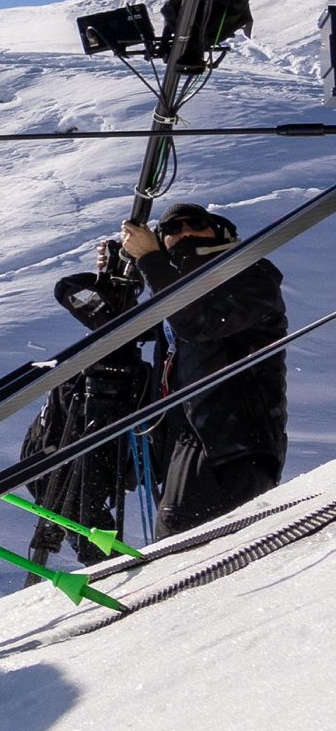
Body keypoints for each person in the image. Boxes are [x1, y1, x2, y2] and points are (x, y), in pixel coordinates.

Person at [119, 203, 288, 538]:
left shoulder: (249, 273)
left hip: (234, 447)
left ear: (218, 232)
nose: (185, 233)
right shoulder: (175, 291)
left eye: (196, 224)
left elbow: (200, 322)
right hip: (187, 444)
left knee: (194, 555)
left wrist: (152, 261)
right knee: (177, 548)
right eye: (172, 230)